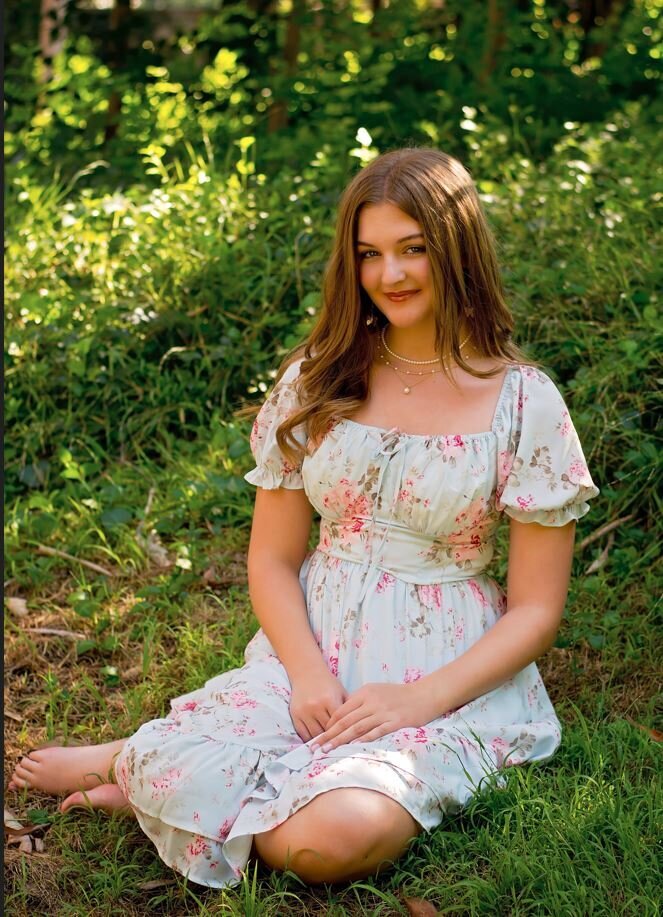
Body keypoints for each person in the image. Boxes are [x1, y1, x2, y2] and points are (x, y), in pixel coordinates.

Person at [9, 147, 600, 888]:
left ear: (457, 251)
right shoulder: (317, 378)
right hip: (315, 641)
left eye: (413, 249)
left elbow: (538, 609)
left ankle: (147, 777)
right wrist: (307, 673)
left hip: (451, 668)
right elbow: (272, 559)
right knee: (277, 749)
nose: (391, 275)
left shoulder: (524, 402)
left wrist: (416, 698)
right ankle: (139, 760)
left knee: (327, 840)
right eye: (370, 254)